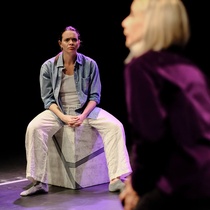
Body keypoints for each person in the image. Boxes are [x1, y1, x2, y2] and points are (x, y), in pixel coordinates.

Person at [20, 25, 132, 196]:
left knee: (115, 126)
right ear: (60, 43)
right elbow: (48, 99)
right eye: (67, 40)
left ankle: (116, 179)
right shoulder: (48, 67)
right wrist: (63, 117)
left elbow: (95, 96)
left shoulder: (90, 64)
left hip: (85, 110)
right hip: (58, 111)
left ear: (79, 43)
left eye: (74, 39)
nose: (71, 42)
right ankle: (39, 181)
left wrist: (83, 115)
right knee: (34, 127)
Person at [119, 0, 210, 209]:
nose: (124, 22)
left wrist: (136, 187)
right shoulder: (188, 67)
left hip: (185, 184)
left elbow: (150, 139)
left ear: (152, 23)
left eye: (132, 15)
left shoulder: (142, 67)